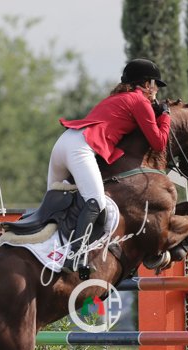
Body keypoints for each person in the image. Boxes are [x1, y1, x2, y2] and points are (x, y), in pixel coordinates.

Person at [47, 58, 171, 275]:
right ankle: (76, 257)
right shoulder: (139, 101)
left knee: (54, 203)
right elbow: (159, 143)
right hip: (80, 148)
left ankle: (41, 250)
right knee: (96, 202)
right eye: (155, 85)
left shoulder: (117, 98)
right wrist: (165, 116)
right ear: (146, 84)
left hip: (64, 143)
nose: (157, 91)